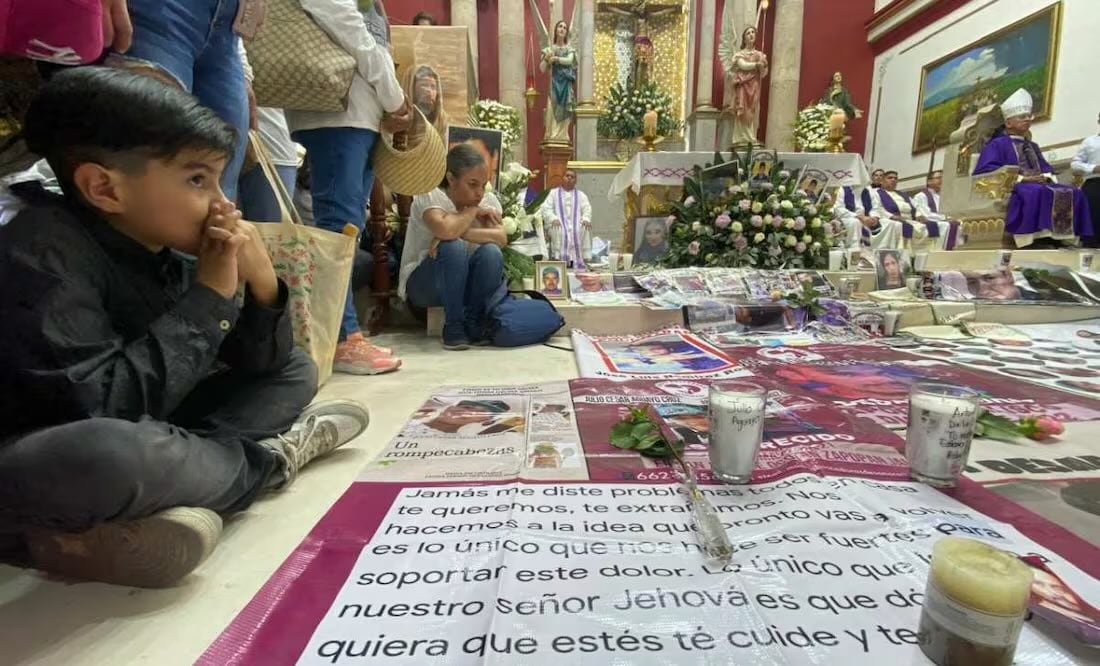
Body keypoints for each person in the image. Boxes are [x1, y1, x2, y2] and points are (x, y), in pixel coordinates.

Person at [0, 68, 370, 588]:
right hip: (44, 453)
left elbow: (258, 364)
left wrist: (263, 283)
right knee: (106, 455)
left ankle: (184, 484)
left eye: (220, 179)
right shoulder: (41, 251)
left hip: (151, 422)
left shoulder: (161, 240)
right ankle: (263, 463)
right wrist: (212, 295)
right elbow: (102, 407)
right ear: (103, 187)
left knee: (294, 371)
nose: (224, 203)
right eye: (198, 180)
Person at [287, 0, 412, 375]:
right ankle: (340, 338)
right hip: (337, 112)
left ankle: (345, 333)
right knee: (337, 227)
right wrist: (394, 96)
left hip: (361, 113)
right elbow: (351, 31)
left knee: (348, 228)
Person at [108, 0, 258, 201]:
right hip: (158, 13)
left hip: (229, 31)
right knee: (147, 178)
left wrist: (243, 68)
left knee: (221, 193)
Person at [401, 144, 506, 350]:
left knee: (491, 252)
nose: (479, 193)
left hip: (465, 285)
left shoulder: (489, 200)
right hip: (425, 287)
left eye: (483, 185)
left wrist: (459, 230)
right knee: (452, 246)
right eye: (472, 184)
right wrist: (471, 213)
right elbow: (444, 230)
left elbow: (501, 238)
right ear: (450, 179)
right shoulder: (430, 195)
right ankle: (453, 326)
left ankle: (474, 322)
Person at [974, 88, 1092, 248]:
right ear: (1008, 122)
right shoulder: (997, 144)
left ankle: (1058, 237)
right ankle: (1031, 240)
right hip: (1015, 185)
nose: (1028, 119)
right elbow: (986, 170)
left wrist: (1046, 176)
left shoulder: (1032, 146)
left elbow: (1046, 167)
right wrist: (1023, 178)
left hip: (1039, 183)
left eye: (1029, 116)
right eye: (1022, 117)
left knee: (1073, 192)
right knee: (1035, 192)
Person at [870, 170, 950, 250]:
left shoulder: (903, 195)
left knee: (934, 226)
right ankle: (901, 253)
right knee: (898, 226)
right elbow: (877, 208)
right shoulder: (876, 193)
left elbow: (916, 206)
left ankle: (930, 253)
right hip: (893, 219)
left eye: (895, 178)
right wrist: (892, 216)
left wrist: (919, 215)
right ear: (883, 181)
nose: (893, 180)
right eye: (890, 178)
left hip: (909, 220)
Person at [722, 26, 768, 146]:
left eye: (753, 32)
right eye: (748, 33)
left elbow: (764, 72)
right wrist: (756, 65)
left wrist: (762, 65)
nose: (751, 34)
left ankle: (751, 135)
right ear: (744, 38)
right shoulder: (739, 55)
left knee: (752, 109)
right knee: (742, 109)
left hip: (754, 86)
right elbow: (743, 65)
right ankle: (742, 137)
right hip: (743, 86)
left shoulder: (759, 55)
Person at [541, 168, 591, 267]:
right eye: (567, 175)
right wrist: (552, 218)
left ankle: (577, 261)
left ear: (575, 180)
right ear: (562, 178)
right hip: (558, 223)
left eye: (572, 177)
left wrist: (586, 219)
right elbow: (546, 208)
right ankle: (558, 259)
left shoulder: (581, 195)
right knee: (559, 230)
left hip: (575, 224)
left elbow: (587, 209)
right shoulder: (553, 193)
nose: (569, 178)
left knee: (582, 228)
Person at [539, 20, 577, 143]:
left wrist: (556, 59)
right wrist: (546, 58)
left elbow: (570, 61)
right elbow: (541, 68)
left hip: (566, 86)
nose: (562, 29)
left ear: (566, 32)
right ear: (555, 30)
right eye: (560, 26)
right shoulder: (549, 49)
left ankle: (561, 137)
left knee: (565, 111)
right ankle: (553, 137)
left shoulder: (570, 49)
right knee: (552, 110)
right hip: (554, 85)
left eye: (565, 28)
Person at [910, 170, 962, 250]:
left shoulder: (944, 196)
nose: (942, 180)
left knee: (961, 224)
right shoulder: (921, 196)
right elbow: (926, 214)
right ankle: (943, 252)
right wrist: (946, 219)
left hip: (943, 220)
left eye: (943, 178)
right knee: (947, 225)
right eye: (939, 178)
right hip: (929, 222)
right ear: (929, 181)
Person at [1071, 112, 1100, 248]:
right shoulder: (1090, 142)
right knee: (1093, 223)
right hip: (1094, 184)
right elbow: (1075, 164)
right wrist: (1093, 168)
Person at [402, 63, 448, 139]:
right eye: (424, 85)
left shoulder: (441, 121)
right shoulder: (398, 116)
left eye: (433, 87)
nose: (429, 91)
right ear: (411, 88)